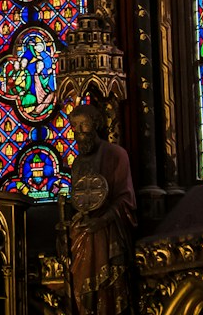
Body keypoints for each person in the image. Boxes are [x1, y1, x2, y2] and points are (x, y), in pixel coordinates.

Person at [64, 103, 136, 315]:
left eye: (83, 125)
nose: (78, 132)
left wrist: (102, 220)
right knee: (83, 293)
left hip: (108, 231)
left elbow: (126, 198)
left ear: (95, 125)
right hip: (83, 233)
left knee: (107, 293)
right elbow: (78, 200)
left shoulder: (116, 154)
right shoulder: (77, 163)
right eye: (74, 126)